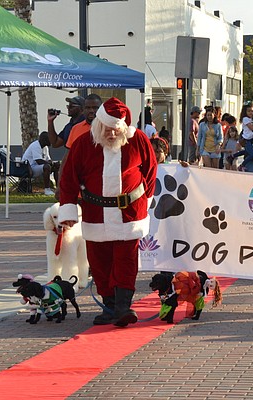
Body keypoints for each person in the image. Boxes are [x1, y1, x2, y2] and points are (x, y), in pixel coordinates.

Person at [58, 97, 157, 327]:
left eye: (116, 129)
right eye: (107, 129)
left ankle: (123, 307)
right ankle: (110, 306)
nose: (112, 134)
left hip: (129, 213)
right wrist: (68, 210)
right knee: (99, 262)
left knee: (125, 261)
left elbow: (151, 170)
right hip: (96, 213)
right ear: (98, 124)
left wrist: (146, 200)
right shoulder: (83, 144)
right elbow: (69, 178)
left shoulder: (138, 139)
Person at [21, 131, 59, 195]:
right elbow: (39, 161)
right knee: (47, 167)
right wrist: (49, 163)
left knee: (57, 166)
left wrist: (53, 163)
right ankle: (47, 190)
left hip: (36, 167)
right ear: (45, 140)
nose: (51, 141)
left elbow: (48, 159)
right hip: (29, 168)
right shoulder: (35, 146)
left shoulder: (45, 147)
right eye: (49, 139)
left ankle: (58, 188)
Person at [231, 103, 253, 171]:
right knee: (252, 154)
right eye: (249, 111)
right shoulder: (245, 119)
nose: (251, 113)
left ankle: (233, 156)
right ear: (245, 112)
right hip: (246, 139)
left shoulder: (250, 119)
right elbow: (252, 128)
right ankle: (242, 165)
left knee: (247, 151)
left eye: (252, 111)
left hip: (250, 139)